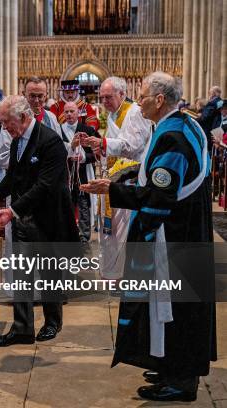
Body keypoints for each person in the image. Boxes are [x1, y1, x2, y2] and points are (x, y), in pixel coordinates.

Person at [81, 71, 216, 402]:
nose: (137, 101)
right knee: (172, 306)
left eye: (140, 95)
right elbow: (157, 178)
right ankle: (171, 364)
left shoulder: (173, 137)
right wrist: (127, 177)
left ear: (159, 100)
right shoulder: (184, 124)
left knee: (179, 307)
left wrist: (113, 190)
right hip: (187, 228)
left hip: (175, 234)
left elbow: (159, 197)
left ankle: (182, 380)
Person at [0, 95, 79, 346]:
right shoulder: (17, 141)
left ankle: (52, 322)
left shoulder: (50, 141)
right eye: (1, 122)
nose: (4, 127)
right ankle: (22, 328)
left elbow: (44, 186)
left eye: (6, 122)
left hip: (48, 217)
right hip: (24, 216)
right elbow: (14, 176)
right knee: (21, 273)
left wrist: (11, 211)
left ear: (23, 118)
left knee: (49, 273)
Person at [84, 76, 152, 279]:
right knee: (111, 230)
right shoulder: (114, 114)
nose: (104, 102)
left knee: (122, 231)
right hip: (114, 177)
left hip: (128, 180)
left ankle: (121, 274)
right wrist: (100, 149)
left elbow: (133, 146)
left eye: (108, 97)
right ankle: (111, 272)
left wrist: (104, 144)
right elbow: (115, 145)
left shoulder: (133, 113)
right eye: (101, 97)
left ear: (122, 94)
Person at [60, 101, 98, 243]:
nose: (69, 114)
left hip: (83, 175)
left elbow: (96, 154)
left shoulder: (87, 130)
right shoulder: (58, 130)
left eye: (72, 111)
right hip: (66, 175)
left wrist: (83, 158)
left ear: (78, 113)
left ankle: (84, 237)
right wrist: (68, 156)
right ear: (63, 114)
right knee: (66, 205)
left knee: (83, 206)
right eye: (66, 112)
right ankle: (68, 236)